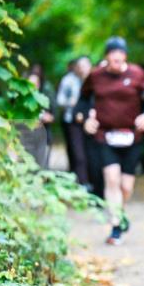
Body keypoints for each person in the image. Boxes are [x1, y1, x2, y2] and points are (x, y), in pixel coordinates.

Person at [80, 36, 144, 245]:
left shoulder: (137, 74)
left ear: (125, 56)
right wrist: (87, 117)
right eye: (112, 53)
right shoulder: (96, 76)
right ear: (107, 56)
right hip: (105, 135)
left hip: (132, 137)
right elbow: (83, 99)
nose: (116, 57)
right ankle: (115, 226)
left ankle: (120, 213)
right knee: (112, 179)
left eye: (120, 53)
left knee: (126, 187)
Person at [56, 55, 93, 188]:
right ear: (76, 68)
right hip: (72, 121)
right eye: (80, 66)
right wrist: (70, 103)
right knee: (77, 153)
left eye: (85, 66)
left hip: (91, 120)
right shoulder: (68, 80)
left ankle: (92, 182)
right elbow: (59, 100)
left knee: (90, 152)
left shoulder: (96, 79)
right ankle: (82, 182)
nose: (83, 69)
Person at [17, 63, 55, 169]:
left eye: (35, 83)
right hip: (26, 137)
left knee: (42, 167)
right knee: (26, 166)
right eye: (30, 84)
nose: (33, 86)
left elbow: (53, 116)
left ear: (39, 85)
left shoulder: (45, 99)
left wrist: (44, 118)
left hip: (43, 137)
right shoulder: (20, 100)